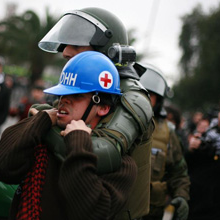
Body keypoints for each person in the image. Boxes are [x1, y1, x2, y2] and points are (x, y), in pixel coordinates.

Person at [0, 51, 138, 220]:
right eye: (63, 94)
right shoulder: (45, 132)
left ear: (102, 107)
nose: (64, 100)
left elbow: (91, 212)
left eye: (77, 96)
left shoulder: (120, 164)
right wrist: (40, 121)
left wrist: (79, 145)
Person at [36, 7, 154, 219]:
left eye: (77, 44)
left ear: (106, 49)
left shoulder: (134, 97)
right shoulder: (85, 83)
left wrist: (40, 124)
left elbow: (105, 151)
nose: (65, 52)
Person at [138, 64, 190, 220]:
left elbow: (179, 174)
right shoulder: (111, 121)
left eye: (149, 95)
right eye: (139, 92)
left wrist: (181, 195)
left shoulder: (168, 132)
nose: (142, 99)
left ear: (158, 100)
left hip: (150, 213)